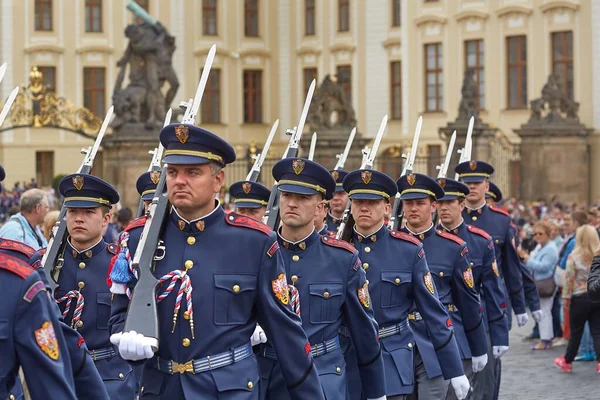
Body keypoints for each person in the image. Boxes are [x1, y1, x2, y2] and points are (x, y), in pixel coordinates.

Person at [108, 123, 325, 399]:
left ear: (218, 180)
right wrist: (125, 336)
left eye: (193, 172)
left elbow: (286, 334)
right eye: (172, 172)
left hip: (228, 391)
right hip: (160, 389)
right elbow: (118, 313)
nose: (179, 180)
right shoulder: (138, 238)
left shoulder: (254, 242)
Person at [257, 159, 386, 400]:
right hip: (270, 375)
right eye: (287, 195)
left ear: (319, 208)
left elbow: (365, 332)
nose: (292, 203)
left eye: (304, 198)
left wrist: (376, 392)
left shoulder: (342, 259)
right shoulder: (258, 252)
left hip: (323, 374)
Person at [341, 169, 469, 400]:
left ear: (388, 208)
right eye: (358, 201)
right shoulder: (336, 251)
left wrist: (454, 368)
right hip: (346, 360)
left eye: (372, 202)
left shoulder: (408, 250)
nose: (364, 208)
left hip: (390, 358)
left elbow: (434, 312)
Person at [48, 174, 137, 399]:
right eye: (73, 212)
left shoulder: (120, 265)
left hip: (109, 379)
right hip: (58, 375)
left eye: (88, 212)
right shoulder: (45, 265)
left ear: (106, 219)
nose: (79, 219)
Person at [396, 173, 474, 399]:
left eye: (420, 203)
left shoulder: (453, 247)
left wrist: (477, 348)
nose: (413, 209)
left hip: (434, 341)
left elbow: (467, 301)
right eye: (408, 203)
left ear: (433, 206)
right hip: (397, 342)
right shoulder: (393, 244)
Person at [455, 161, 527, 400]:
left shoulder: (502, 221)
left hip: (490, 307)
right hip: (455, 312)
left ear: (487, 185)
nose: (472, 188)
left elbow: (511, 268)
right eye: (467, 184)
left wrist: (520, 306)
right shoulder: (449, 220)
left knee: (487, 377)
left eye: (476, 183)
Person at [435, 178, 510, 399]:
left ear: (462, 205)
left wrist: (499, 333)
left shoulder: (479, 241)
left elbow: (493, 290)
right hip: (437, 323)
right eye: (440, 203)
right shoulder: (423, 241)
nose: (444, 208)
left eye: (450, 202)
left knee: (482, 388)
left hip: (475, 321)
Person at [554, 225, 600, 373]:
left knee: (576, 332)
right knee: (597, 331)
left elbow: (569, 280)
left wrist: (566, 298)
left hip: (579, 297)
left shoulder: (573, 256)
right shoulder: (598, 256)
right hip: (596, 296)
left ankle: (567, 360)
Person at [522, 221, 559, 350]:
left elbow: (544, 267)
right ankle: (546, 338)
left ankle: (546, 339)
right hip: (538, 282)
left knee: (545, 312)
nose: (537, 236)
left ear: (548, 234)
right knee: (543, 311)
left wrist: (528, 260)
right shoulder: (540, 246)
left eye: (540, 234)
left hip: (546, 283)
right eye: (535, 234)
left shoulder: (550, 248)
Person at [325, 169, 349, 234]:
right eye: (333, 193)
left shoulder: (356, 224)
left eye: (341, 193)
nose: (335, 198)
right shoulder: (319, 222)